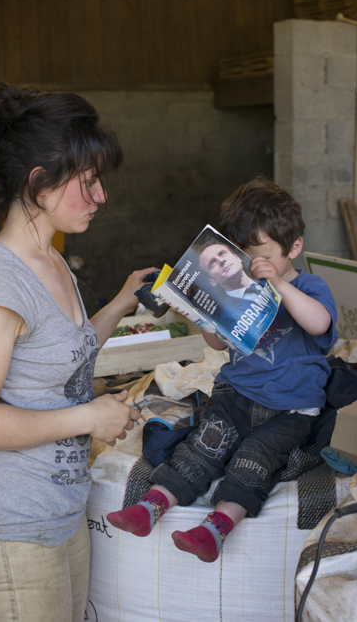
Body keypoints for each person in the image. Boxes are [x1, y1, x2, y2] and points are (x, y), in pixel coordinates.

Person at [0, 83, 154, 622]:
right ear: (39, 184)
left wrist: (123, 300)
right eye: (88, 183)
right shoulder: (0, 283)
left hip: (62, 511)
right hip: (14, 526)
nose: (101, 196)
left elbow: (67, 349)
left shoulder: (52, 259)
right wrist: (90, 416)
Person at [107, 176, 337, 563]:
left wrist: (279, 284)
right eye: (244, 255)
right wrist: (199, 315)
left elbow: (319, 324)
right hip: (237, 395)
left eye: (261, 255)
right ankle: (150, 506)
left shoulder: (310, 287)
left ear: (294, 246)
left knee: (254, 458)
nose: (252, 265)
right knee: (202, 445)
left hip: (290, 409)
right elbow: (217, 345)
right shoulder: (237, 291)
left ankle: (215, 530)